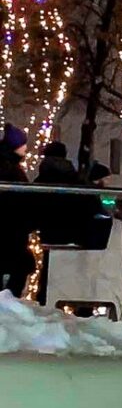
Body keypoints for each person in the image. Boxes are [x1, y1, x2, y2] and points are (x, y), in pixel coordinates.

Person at [0, 124, 33, 296]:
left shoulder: (9, 165)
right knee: (19, 264)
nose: (26, 148)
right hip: (11, 225)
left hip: (12, 224)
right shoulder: (9, 168)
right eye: (23, 144)